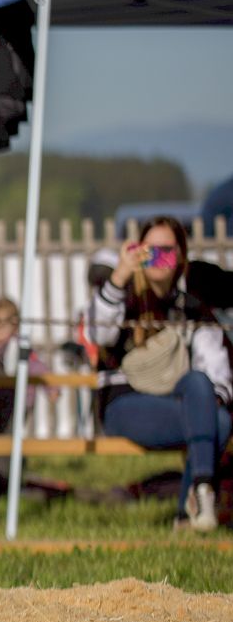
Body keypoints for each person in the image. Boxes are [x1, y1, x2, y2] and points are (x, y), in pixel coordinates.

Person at [87, 215, 233, 531]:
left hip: (179, 400)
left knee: (207, 396)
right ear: (138, 250)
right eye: (150, 249)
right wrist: (120, 275)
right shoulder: (123, 294)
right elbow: (98, 334)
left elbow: (215, 366)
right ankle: (192, 506)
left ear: (180, 255)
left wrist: (211, 402)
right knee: (217, 423)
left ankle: (198, 498)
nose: (158, 257)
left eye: (166, 250)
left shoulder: (191, 305)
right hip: (124, 402)